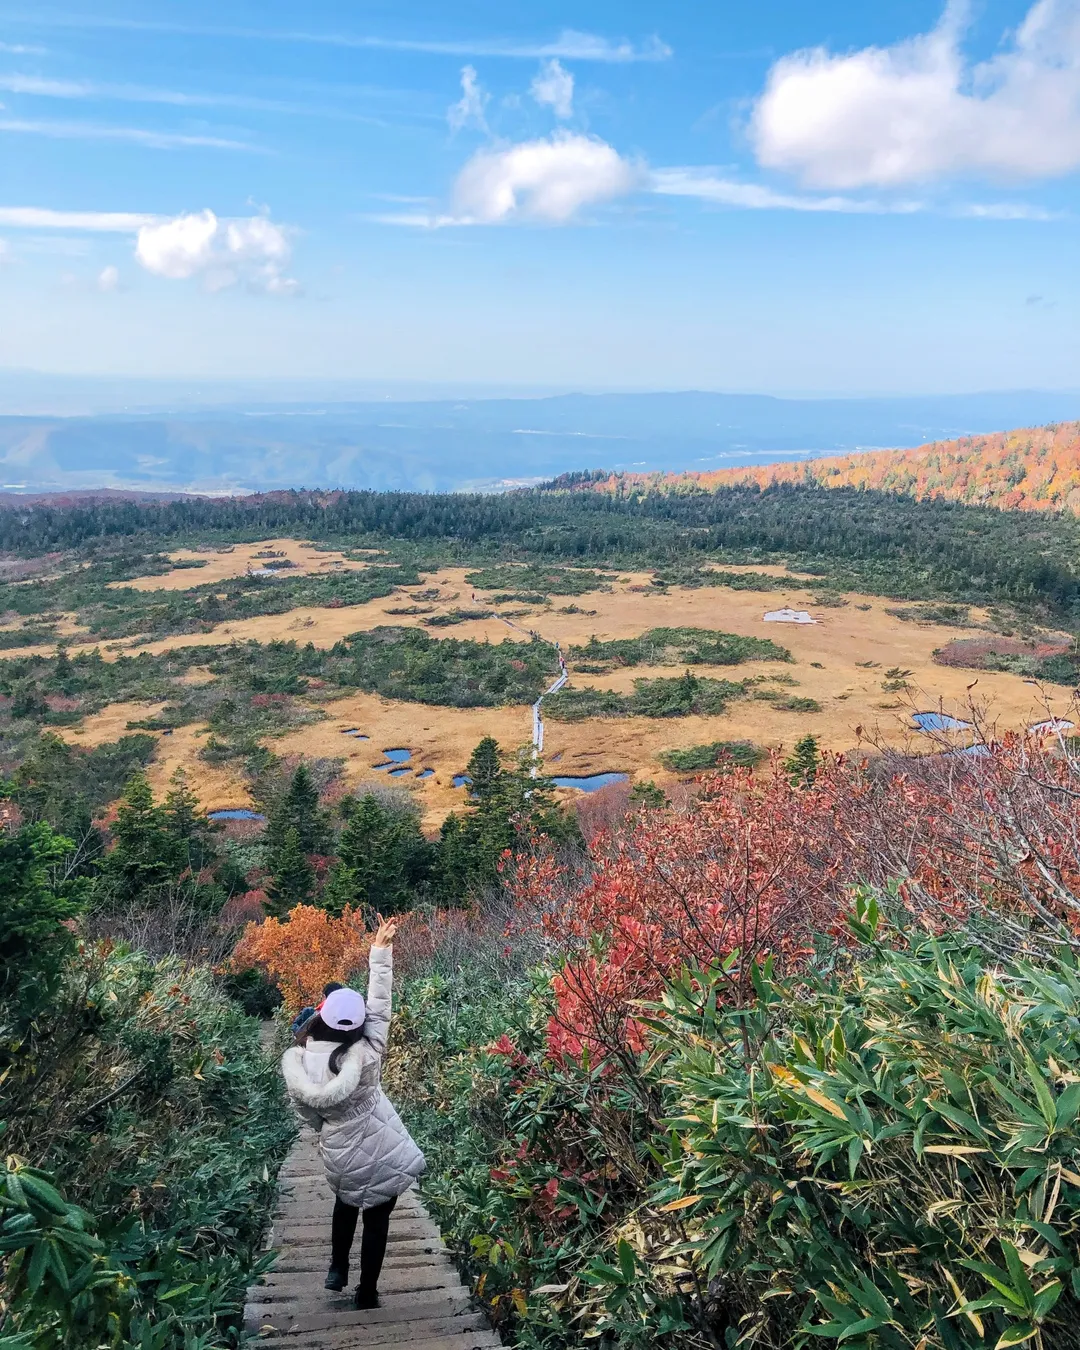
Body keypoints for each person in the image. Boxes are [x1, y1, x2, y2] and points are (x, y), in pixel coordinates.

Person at [281, 919, 425, 1309]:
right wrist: (380, 951)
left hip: (339, 1147)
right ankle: (367, 1291)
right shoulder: (370, 1050)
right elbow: (380, 1004)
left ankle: (337, 1267)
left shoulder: (305, 1060)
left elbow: (304, 1109)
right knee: (378, 1219)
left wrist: (323, 1125)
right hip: (383, 1143)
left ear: (323, 1018)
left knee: (345, 1203)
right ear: (359, 1024)